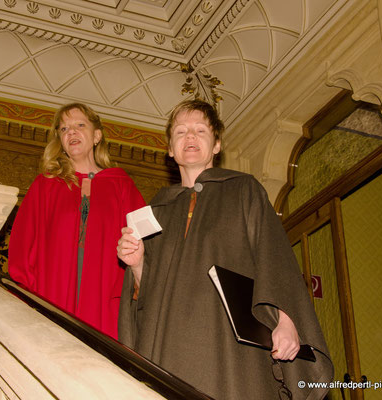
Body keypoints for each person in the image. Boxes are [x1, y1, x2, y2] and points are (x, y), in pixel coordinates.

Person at [117, 99, 333, 399]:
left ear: (217, 145)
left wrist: (286, 320)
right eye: (180, 132)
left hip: (231, 351)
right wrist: (137, 264)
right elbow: (146, 300)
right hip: (168, 346)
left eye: (200, 130)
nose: (189, 137)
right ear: (170, 148)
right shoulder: (156, 211)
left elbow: (274, 256)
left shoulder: (244, 190)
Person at [9, 102, 145, 340]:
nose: (70, 132)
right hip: (53, 295)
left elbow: (145, 241)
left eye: (79, 125)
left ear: (97, 136)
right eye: (63, 129)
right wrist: (29, 301)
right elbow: (22, 247)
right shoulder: (45, 186)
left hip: (103, 300)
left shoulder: (121, 184)